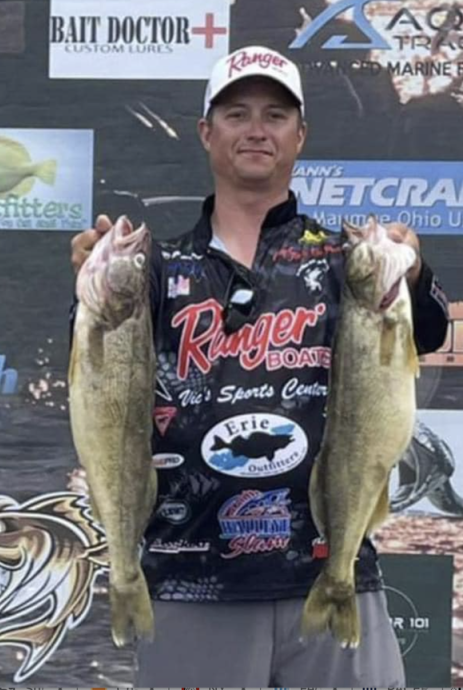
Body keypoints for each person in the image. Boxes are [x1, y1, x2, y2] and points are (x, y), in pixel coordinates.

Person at [68, 46, 450, 686]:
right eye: (237, 113)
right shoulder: (158, 267)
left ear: (300, 135)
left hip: (330, 570)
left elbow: (431, 331)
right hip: (191, 575)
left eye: (275, 115)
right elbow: (101, 381)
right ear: (206, 132)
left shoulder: (344, 261)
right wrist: (93, 281)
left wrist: (413, 271)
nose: (256, 129)